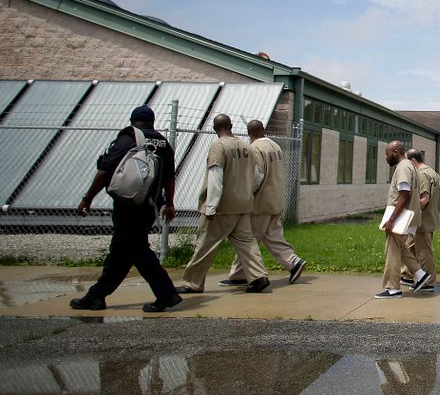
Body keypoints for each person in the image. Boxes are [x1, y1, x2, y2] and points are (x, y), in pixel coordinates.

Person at [71, 105, 182, 313]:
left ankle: (167, 294)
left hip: (127, 205)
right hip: (150, 205)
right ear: (153, 122)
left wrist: (87, 198)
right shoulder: (163, 143)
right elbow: (169, 177)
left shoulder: (128, 139)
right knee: (121, 251)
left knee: (137, 250)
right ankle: (96, 296)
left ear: (132, 121)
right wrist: (170, 203)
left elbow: (105, 171)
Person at [178, 114, 270, 295]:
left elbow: (215, 176)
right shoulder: (246, 146)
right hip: (243, 204)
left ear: (214, 129)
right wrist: (246, 192)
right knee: (246, 242)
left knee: (205, 244)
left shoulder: (218, 147)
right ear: (232, 126)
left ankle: (192, 283)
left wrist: (211, 206)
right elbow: (258, 175)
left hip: (222, 208)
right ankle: (259, 276)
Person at [220, 119, 305, 287]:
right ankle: (293, 262)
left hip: (260, 203)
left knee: (248, 240)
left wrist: (246, 193)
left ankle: (241, 275)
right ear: (263, 130)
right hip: (276, 199)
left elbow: (256, 176)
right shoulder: (275, 146)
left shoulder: (255, 149)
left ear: (249, 133)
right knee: (273, 236)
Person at [374, 141, 430, 298]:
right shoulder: (409, 166)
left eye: (387, 154)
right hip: (408, 216)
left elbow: (404, 195)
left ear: (396, 152)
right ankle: (420, 275)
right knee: (400, 247)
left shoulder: (403, 167)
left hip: (402, 218)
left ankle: (393, 288)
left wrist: (392, 220)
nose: (386, 157)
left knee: (391, 250)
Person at [406, 148, 440, 290]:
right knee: (408, 247)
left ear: (413, 160)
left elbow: (424, 199)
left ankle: (428, 282)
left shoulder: (422, 174)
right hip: (427, 219)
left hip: (423, 221)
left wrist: (409, 210)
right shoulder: (433, 172)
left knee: (424, 252)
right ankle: (406, 275)